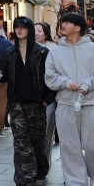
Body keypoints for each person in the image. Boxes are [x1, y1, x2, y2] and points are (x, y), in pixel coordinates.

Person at [44, 12, 94, 186]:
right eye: (62, 22)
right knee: (69, 146)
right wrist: (65, 82)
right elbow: (49, 77)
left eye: (67, 22)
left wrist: (90, 82)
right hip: (65, 103)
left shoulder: (93, 48)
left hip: (90, 103)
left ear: (78, 27)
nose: (63, 25)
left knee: (92, 144)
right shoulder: (55, 52)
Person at [0, 17, 52, 186]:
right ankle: (23, 181)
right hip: (17, 103)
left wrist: (47, 99)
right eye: (16, 27)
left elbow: (50, 77)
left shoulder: (42, 52)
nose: (19, 30)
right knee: (21, 142)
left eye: (23, 27)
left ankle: (40, 171)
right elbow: (4, 74)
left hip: (37, 103)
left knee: (37, 141)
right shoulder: (9, 52)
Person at [33, 22, 59, 165]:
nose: (36, 33)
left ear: (46, 33)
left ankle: (43, 165)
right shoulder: (25, 48)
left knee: (45, 132)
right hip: (30, 97)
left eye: (39, 31)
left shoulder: (53, 49)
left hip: (48, 97)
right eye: (34, 30)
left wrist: (49, 97)